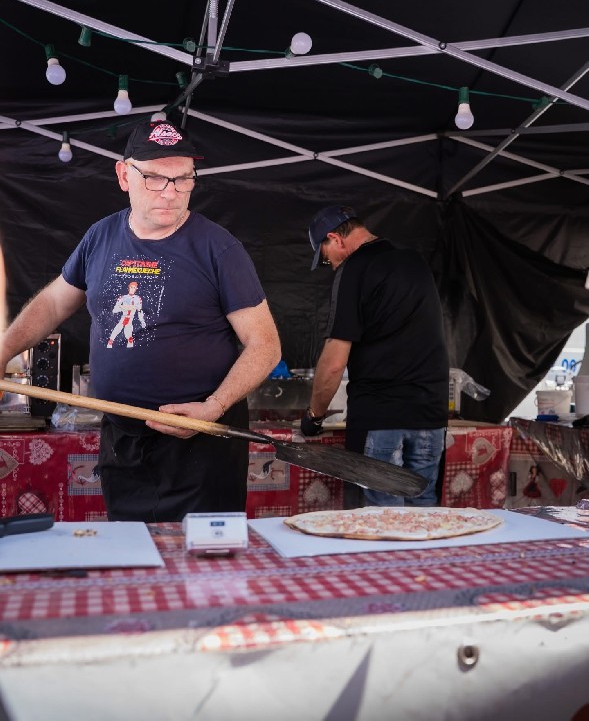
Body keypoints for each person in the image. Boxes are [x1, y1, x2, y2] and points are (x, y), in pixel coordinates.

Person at [0, 118, 281, 522]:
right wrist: (4, 351)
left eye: (183, 179)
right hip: (124, 441)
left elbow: (265, 345)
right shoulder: (100, 237)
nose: (170, 192)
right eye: (154, 178)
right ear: (123, 175)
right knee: (132, 552)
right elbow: (53, 304)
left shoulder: (219, 249)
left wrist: (215, 406)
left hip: (201, 445)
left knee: (201, 559)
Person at [300, 204, 448, 507]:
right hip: (430, 413)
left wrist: (313, 417)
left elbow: (334, 363)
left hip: (381, 414)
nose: (331, 266)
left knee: (381, 519)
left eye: (326, 258)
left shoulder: (354, 268)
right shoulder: (415, 260)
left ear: (335, 238)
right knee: (425, 517)